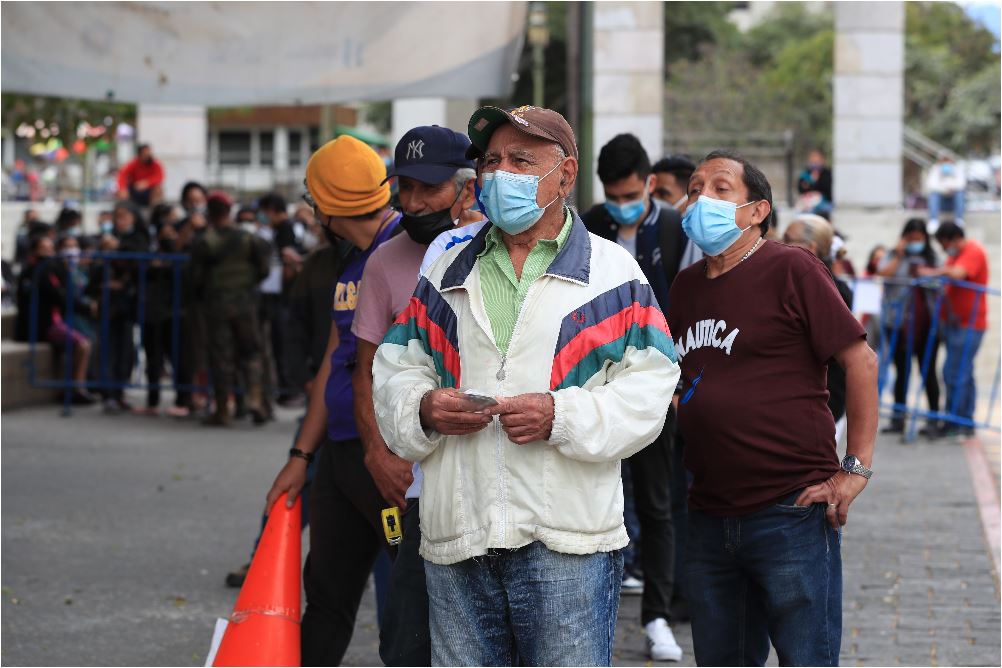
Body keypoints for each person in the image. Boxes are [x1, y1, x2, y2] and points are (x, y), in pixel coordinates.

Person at [372, 105, 680, 666]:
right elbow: (396, 364)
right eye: (491, 161)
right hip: (459, 533)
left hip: (566, 540)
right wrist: (423, 406)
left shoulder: (614, 276)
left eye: (521, 159)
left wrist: (561, 416)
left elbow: (652, 386)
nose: (500, 174)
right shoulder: (443, 274)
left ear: (565, 175)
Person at [667, 150, 877, 666]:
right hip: (709, 511)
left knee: (807, 658)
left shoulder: (792, 268)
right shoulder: (686, 287)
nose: (701, 200)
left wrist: (855, 469)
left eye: (720, 189)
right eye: (694, 190)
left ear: (757, 210)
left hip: (791, 508)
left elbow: (861, 362)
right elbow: (683, 373)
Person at [263, 135, 402, 666]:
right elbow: (332, 358)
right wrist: (302, 457)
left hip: (390, 459)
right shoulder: (350, 263)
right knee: (325, 598)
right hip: (342, 459)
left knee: (409, 611)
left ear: (322, 208)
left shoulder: (408, 252)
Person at [351, 125, 481, 666]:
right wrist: (378, 454)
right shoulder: (383, 262)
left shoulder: (504, 250)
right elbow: (366, 371)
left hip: (494, 480)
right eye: (404, 187)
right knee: (408, 638)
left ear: (467, 189)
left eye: (428, 189)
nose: (413, 202)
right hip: (418, 482)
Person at [581, 132, 687, 661]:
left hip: (657, 391)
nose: (622, 204)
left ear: (649, 184)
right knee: (603, 497)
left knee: (657, 503)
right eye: (613, 194)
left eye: (631, 193)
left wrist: (676, 382)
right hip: (597, 390)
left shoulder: (672, 229)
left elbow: (685, 308)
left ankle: (659, 616)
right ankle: (594, 606)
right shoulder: (589, 224)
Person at [188, 191, 270, 426]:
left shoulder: (205, 242)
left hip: (218, 305)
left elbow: (196, 278)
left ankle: (222, 410)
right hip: (245, 302)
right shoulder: (248, 238)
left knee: (221, 357)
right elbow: (263, 269)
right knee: (251, 352)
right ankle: (256, 401)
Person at [783, 214, 855, 444]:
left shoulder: (832, 289)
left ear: (811, 247)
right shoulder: (787, 281)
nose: (780, 244)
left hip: (819, 405)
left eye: (788, 238)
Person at [918, 222, 989, 437]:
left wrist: (933, 271)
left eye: (944, 243)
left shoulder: (972, 251)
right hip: (955, 323)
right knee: (961, 373)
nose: (943, 249)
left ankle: (956, 421)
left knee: (954, 373)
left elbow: (958, 274)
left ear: (954, 239)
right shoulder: (955, 255)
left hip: (969, 324)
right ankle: (963, 420)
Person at [875, 219, 941, 437]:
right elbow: (883, 273)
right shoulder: (894, 255)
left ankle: (933, 419)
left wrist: (926, 276)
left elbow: (940, 283)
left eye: (918, 238)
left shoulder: (932, 258)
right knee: (901, 372)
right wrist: (899, 253)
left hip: (926, 326)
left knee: (928, 372)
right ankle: (898, 419)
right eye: (910, 238)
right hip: (898, 324)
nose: (915, 242)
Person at [925, 154, 966, 231]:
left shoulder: (958, 169)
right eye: (944, 160)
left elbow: (961, 185)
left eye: (948, 160)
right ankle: (933, 221)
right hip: (940, 203)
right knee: (934, 194)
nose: (946, 163)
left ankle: (959, 220)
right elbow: (931, 185)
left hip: (954, 203)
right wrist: (945, 189)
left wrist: (952, 187)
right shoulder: (935, 169)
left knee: (959, 194)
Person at [116, 143, 165, 208]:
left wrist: (147, 183)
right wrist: (123, 188)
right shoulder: (133, 163)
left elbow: (160, 176)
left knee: (158, 189)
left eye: (149, 152)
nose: (148, 155)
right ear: (140, 154)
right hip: (134, 189)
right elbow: (122, 174)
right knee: (120, 193)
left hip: (149, 190)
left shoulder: (155, 164)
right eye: (145, 153)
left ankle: (156, 210)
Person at [796, 148, 833, 216]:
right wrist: (811, 180)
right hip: (808, 204)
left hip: (824, 204)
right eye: (813, 160)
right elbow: (801, 189)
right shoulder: (806, 173)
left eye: (817, 160)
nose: (815, 163)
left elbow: (827, 189)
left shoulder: (827, 173)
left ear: (822, 160)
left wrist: (815, 182)